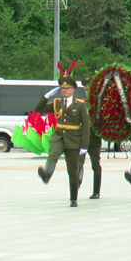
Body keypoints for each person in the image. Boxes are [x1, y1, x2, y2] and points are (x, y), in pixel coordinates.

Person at [35, 75, 90, 207]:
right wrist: (46, 97)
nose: (63, 90)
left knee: (72, 170)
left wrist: (84, 145)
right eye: (62, 88)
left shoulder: (80, 105)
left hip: (74, 139)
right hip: (58, 136)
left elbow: (86, 126)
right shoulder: (57, 103)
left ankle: (73, 198)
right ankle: (47, 174)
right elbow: (38, 109)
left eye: (66, 88)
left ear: (72, 90)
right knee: (53, 154)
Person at [80, 77, 103, 199]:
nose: (87, 92)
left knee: (95, 165)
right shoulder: (81, 104)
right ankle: (76, 185)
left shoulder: (99, 104)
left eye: (89, 89)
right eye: (85, 89)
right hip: (82, 140)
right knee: (78, 163)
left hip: (94, 140)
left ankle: (96, 191)